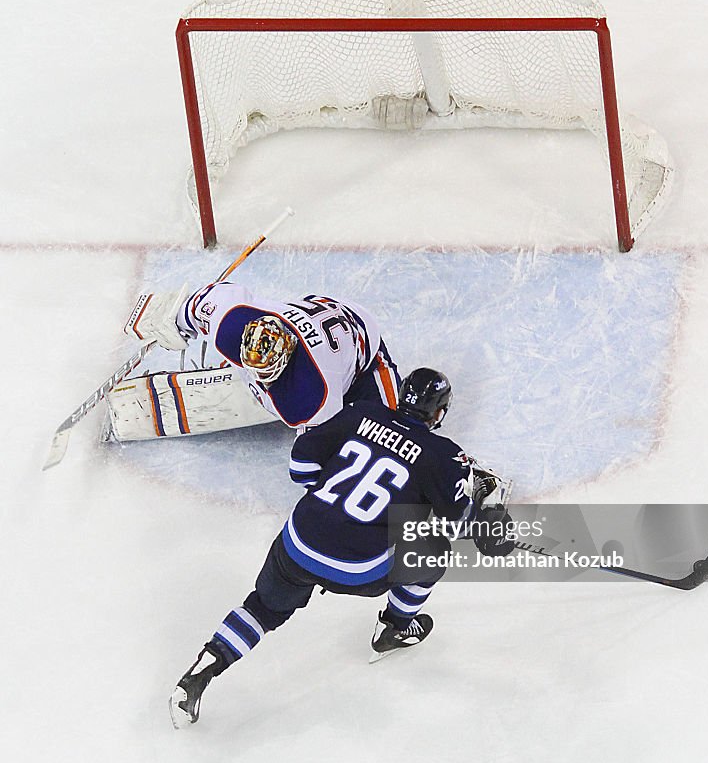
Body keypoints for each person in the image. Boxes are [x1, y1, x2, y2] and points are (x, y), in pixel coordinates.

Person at [168, 367, 514, 728]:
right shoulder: (444, 455)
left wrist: (332, 500)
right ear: (439, 413)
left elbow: (300, 465)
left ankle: (202, 670)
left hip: (298, 543)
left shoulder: (362, 412)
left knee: (263, 608)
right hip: (359, 569)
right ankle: (394, 628)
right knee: (435, 551)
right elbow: (455, 524)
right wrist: (491, 522)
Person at [122, 281, 400, 434]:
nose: (258, 377)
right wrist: (178, 318)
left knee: (392, 431)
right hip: (318, 311)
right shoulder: (232, 323)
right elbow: (206, 301)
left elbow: (317, 453)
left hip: (364, 352)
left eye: (267, 371)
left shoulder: (312, 395)